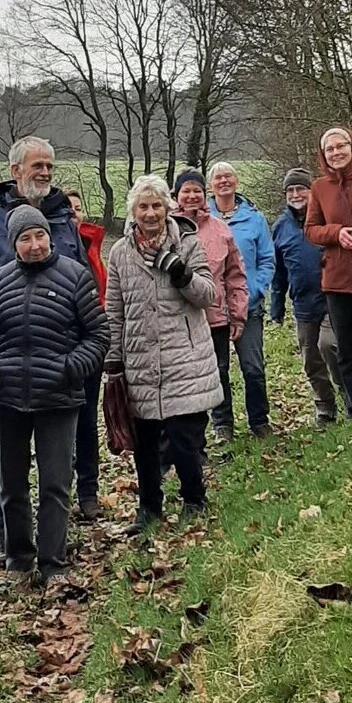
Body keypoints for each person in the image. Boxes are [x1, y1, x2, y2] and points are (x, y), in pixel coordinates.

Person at [0, 137, 87, 558]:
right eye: (38, 165)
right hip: (11, 378)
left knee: (60, 471)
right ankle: (8, 536)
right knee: (9, 471)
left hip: (60, 377)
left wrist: (73, 363)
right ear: (15, 170)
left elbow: (86, 297)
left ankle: (57, 546)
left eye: (50, 166)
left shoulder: (64, 221)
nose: (46, 173)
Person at [0, 207, 109, 585]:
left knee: (55, 483)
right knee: (11, 483)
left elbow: (98, 336)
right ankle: (19, 559)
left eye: (39, 236)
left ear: (49, 237)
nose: (34, 245)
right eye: (25, 238)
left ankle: (53, 562)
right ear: (13, 243)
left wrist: (69, 367)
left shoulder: (75, 277)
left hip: (59, 400)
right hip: (9, 400)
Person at [106, 175, 222, 535]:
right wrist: (113, 357)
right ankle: (150, 508)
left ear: (167, 207)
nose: (151, 213)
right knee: (145, 444)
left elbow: (208, 296)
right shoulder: (120, 253)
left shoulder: (187, 242)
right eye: (143, 206)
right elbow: (114, 308)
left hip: (183, 357)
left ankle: (194, 500)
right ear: (133, 212)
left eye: (157, 205)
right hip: (140, 358)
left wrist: (181, 273)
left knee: (184, 438)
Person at [306, 128, 352, 419]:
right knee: (347, 348)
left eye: (341, 146)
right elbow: (311, 229)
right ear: (323, 155)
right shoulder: (319, 188)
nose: (336, 153)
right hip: (336, 279)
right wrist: (337, 233)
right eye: (330, 149)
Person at [171, 169, 248, 444]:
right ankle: (190, 433)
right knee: (184, 376)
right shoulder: (167, 228)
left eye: (197, 191)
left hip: (215, 317)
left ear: (205, 195)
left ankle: (223, 425)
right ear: (176, 195)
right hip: (179, 319)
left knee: (219, 371)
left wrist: (237, 315)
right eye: (186, 191)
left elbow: (235, 275)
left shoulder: (220, 229)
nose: (192, 196)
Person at [270, 169, 344, 427]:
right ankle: (325, 407)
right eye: (290, 190)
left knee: (329, 346)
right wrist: (276, 308)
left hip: (332, 298)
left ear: (311, 192)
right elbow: (278, 272)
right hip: (302, 304)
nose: (295, 194)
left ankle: (349, 394)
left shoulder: (325, 218)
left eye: (300, 188)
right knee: (310, 360)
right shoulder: (280, 227)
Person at [207, 162, 275, 437]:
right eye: (218, 177)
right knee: (218, 369)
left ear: (236, 181)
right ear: (211, 185)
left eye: (228, 176)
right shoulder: (201, 218)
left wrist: (255, 290)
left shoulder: (254, 218)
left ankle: (259, 421)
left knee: (253, 367)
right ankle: (222, 425)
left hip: (249, 307)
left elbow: (268, 259)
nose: (224, 181)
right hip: (214, 310)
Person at [64, 190, 106, 521]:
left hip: (91, 344)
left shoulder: (91, 245)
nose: (74, 215)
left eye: (78, 209)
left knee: (88, 420)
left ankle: (88, 490)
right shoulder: (52, 248)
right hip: (59, 347)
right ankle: (60, 491)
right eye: (68, 209)